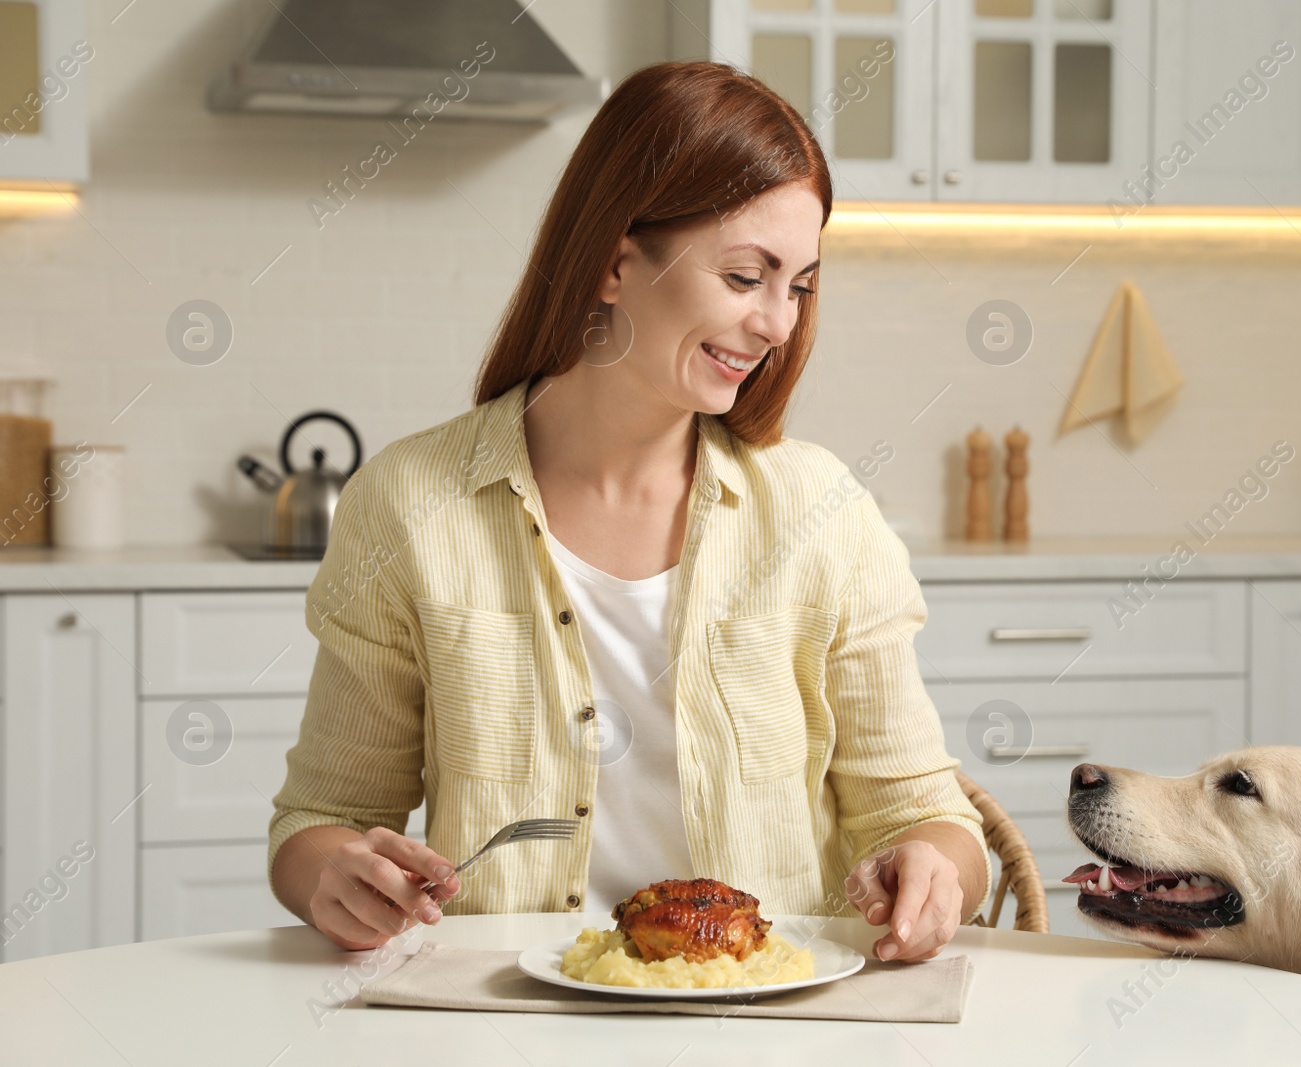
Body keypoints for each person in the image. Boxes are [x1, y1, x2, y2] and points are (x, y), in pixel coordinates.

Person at [268, 60, 989, 965]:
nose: (777, 323)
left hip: (771, 1027)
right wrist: (337, 870)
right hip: (507, 1024)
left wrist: (934, 863)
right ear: (615, 262)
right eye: (744, 275)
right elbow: (320, 822)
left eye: (799, 285)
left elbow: (924, 809)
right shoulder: (410, 504)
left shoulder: (821, 512)